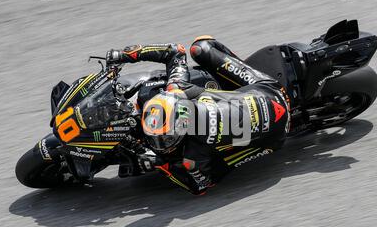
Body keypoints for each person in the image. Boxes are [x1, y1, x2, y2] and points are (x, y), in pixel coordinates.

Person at [106, 36, 290, 195]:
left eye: (165, 139)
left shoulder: (194, 156)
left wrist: (161, 164)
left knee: (208, 164)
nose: (160, 145)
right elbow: (176, 51)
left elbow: (200, 187)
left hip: (277, 134)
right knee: (201, 47)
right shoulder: (178, 91)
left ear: (181, 127)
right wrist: (128, 54)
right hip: (268, 90)